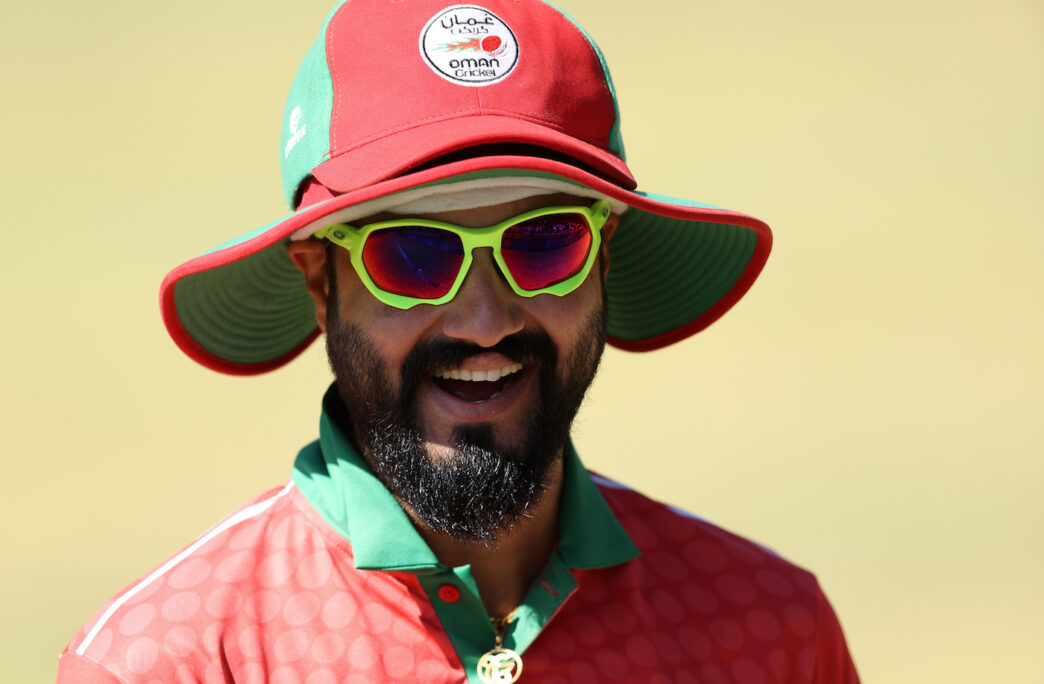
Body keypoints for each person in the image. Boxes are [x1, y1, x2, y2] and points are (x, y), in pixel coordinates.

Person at [59, 1, 859, 682]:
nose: (484, 321)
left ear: (603, 260)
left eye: (544, 242)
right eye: (413, 254)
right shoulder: (172, 661)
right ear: (319, 281)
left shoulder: (770, 633)